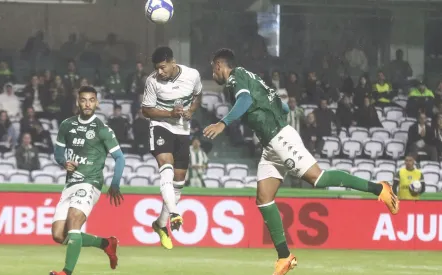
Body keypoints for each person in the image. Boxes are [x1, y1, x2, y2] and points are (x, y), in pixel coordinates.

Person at [203, 48, 400, 275]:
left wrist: (223, 123)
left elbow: (246, 99)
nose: (212, 73)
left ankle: (380, 189)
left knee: (319, 179)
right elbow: (283, 105)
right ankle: (285, 257)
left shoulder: (237, 78)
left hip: (280, 138)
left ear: (219, 65)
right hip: (271, 144)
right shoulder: (249, 76)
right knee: (264, 198)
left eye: (212, 68)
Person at [50, 86, 126, 275]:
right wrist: (64, 162)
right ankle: (106, 243)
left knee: (75, 220)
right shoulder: (67, 125)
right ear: (78, 102)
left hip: (90, 183)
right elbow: (58, 153)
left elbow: (120, 158)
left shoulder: (102, 130)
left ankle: (66, 272)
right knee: (59, 235)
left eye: (91, 100)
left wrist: (114, 183)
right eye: (83, 100)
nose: (87, 104)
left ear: (97, 103)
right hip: (70, 184)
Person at [142, 46, 202, 249]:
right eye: (157, 68)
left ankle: (160, 224)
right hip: (161, 127)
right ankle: (175, 213)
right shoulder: (152, 81)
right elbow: (146, 110)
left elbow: (197, 97)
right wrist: (169, 115)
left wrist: (190, 111)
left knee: (178, 183)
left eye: (162, 67)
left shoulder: (192, 75)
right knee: (165, 167)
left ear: (172, 62)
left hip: (183, 131)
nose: (159, 72)